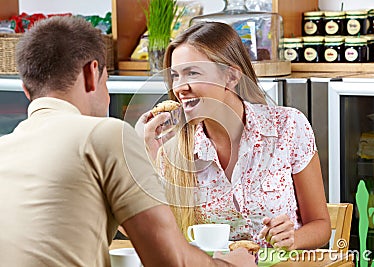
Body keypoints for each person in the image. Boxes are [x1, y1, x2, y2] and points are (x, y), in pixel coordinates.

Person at [0, 16, 257, 267]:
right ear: (92, 73)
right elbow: (171, 260)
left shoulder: (4, 148)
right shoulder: (106, 133)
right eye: (106, 81)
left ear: (26, 89)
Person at [136, 21, 331, 251]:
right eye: (176, 76)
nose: (180, 87)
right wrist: (144, 153)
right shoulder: (171, 146)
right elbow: (148, 231)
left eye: (192, 73)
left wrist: (291, 239)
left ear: (231, 76)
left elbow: (321, 226)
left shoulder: (287, 127)